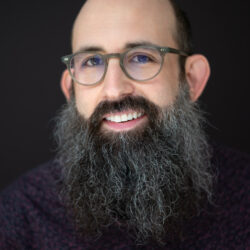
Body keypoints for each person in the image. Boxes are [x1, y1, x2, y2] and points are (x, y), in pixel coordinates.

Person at [0, 0, 249, 249]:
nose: (114, 90)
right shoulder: (18, 218)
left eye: (141, 58)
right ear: (71, 89)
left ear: (191, 79)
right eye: (92, 62)